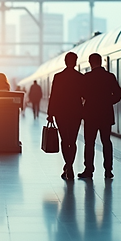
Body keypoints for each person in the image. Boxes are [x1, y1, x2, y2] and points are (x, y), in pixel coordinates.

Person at [79, 53, 121, 179]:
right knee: (106, 142)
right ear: (101, 62)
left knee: (89, 143)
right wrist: (108, 101)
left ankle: (88, 170)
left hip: (90, 114)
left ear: (90, 62)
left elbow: (82, 94)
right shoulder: (109, 76)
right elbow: (118, 93)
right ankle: (108, 170)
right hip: (106, 114)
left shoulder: (87, 77)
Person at [47, 52, 84, 180]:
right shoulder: (80, 77)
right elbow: (84, 95)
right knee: (72, 141)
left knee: (64, 140)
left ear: (65, 61)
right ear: (75, 62)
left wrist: (50, 113)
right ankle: (69, 166)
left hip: (61, 113)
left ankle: (68, 167)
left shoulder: (58, 77)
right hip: (76, 113)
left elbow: (53, 96)